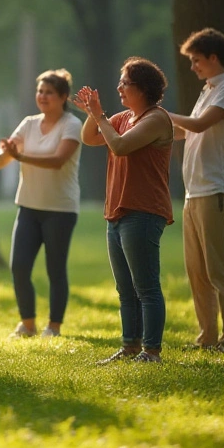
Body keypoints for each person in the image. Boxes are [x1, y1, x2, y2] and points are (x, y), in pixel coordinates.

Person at [75, 57, 174, 365]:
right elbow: (90, 138)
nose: (119, 86)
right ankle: (130, 346)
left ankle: (151, 351)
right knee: (125, 289)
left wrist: (99, 114)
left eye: (124, 82)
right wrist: (96, 114)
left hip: (143, 211)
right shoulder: (122, 117)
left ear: (142, 88)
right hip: (117, 212)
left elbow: (118, 146)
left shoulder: (156, 119)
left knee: (146, 287)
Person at [0, 69, 82, 339]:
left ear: (63, 97)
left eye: (49, 92)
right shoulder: (29, 123)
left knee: (55, 268)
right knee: (19, 266)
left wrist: (20, 157)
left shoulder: (71, 124)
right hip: (28, 207)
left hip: (60, 209)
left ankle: (53, 326)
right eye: (40, 91)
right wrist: (4, 154)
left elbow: (57, 161)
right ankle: (27, 324)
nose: (42, 96)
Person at [168, 28, 224, 351]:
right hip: (194, 192)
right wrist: (151, 129)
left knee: (219, 269)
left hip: (216, 190)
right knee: (197, 272)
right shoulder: (208, 89)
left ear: (214, 58)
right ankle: (207, 336)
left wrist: (157, 113)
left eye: (197, 60)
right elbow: (188, 132)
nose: (193, 66)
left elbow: (198, 125)